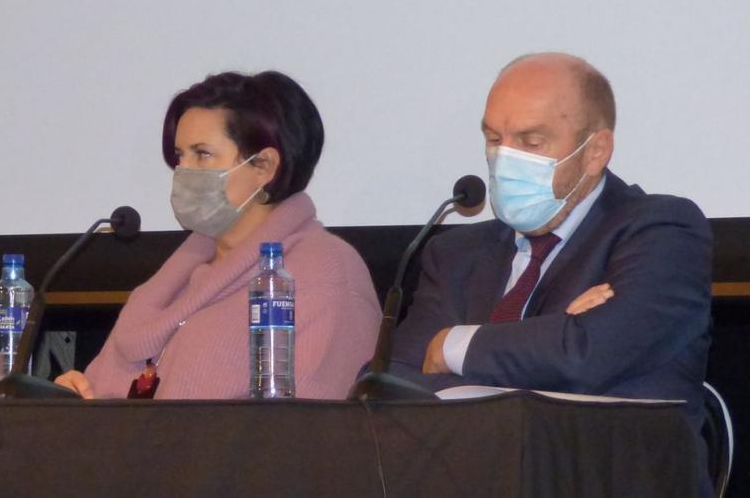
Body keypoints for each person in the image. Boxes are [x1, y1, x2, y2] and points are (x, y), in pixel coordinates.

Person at [389, 53, 712, 429]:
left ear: (595, 152)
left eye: (531, 142)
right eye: (494, 139)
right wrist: (553, 335)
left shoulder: (662, 232)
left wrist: (450, 346)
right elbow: (389, 383)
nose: (503, 158)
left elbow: (586, 356)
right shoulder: (456, 255)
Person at [56, 71, 381, 399]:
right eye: (180, 156)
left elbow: (299, 430)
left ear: (264, 167)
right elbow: (103, 392)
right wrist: (74, 397)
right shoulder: (174, 280)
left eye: (202, 154)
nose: (184, 172)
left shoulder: (325, 273)